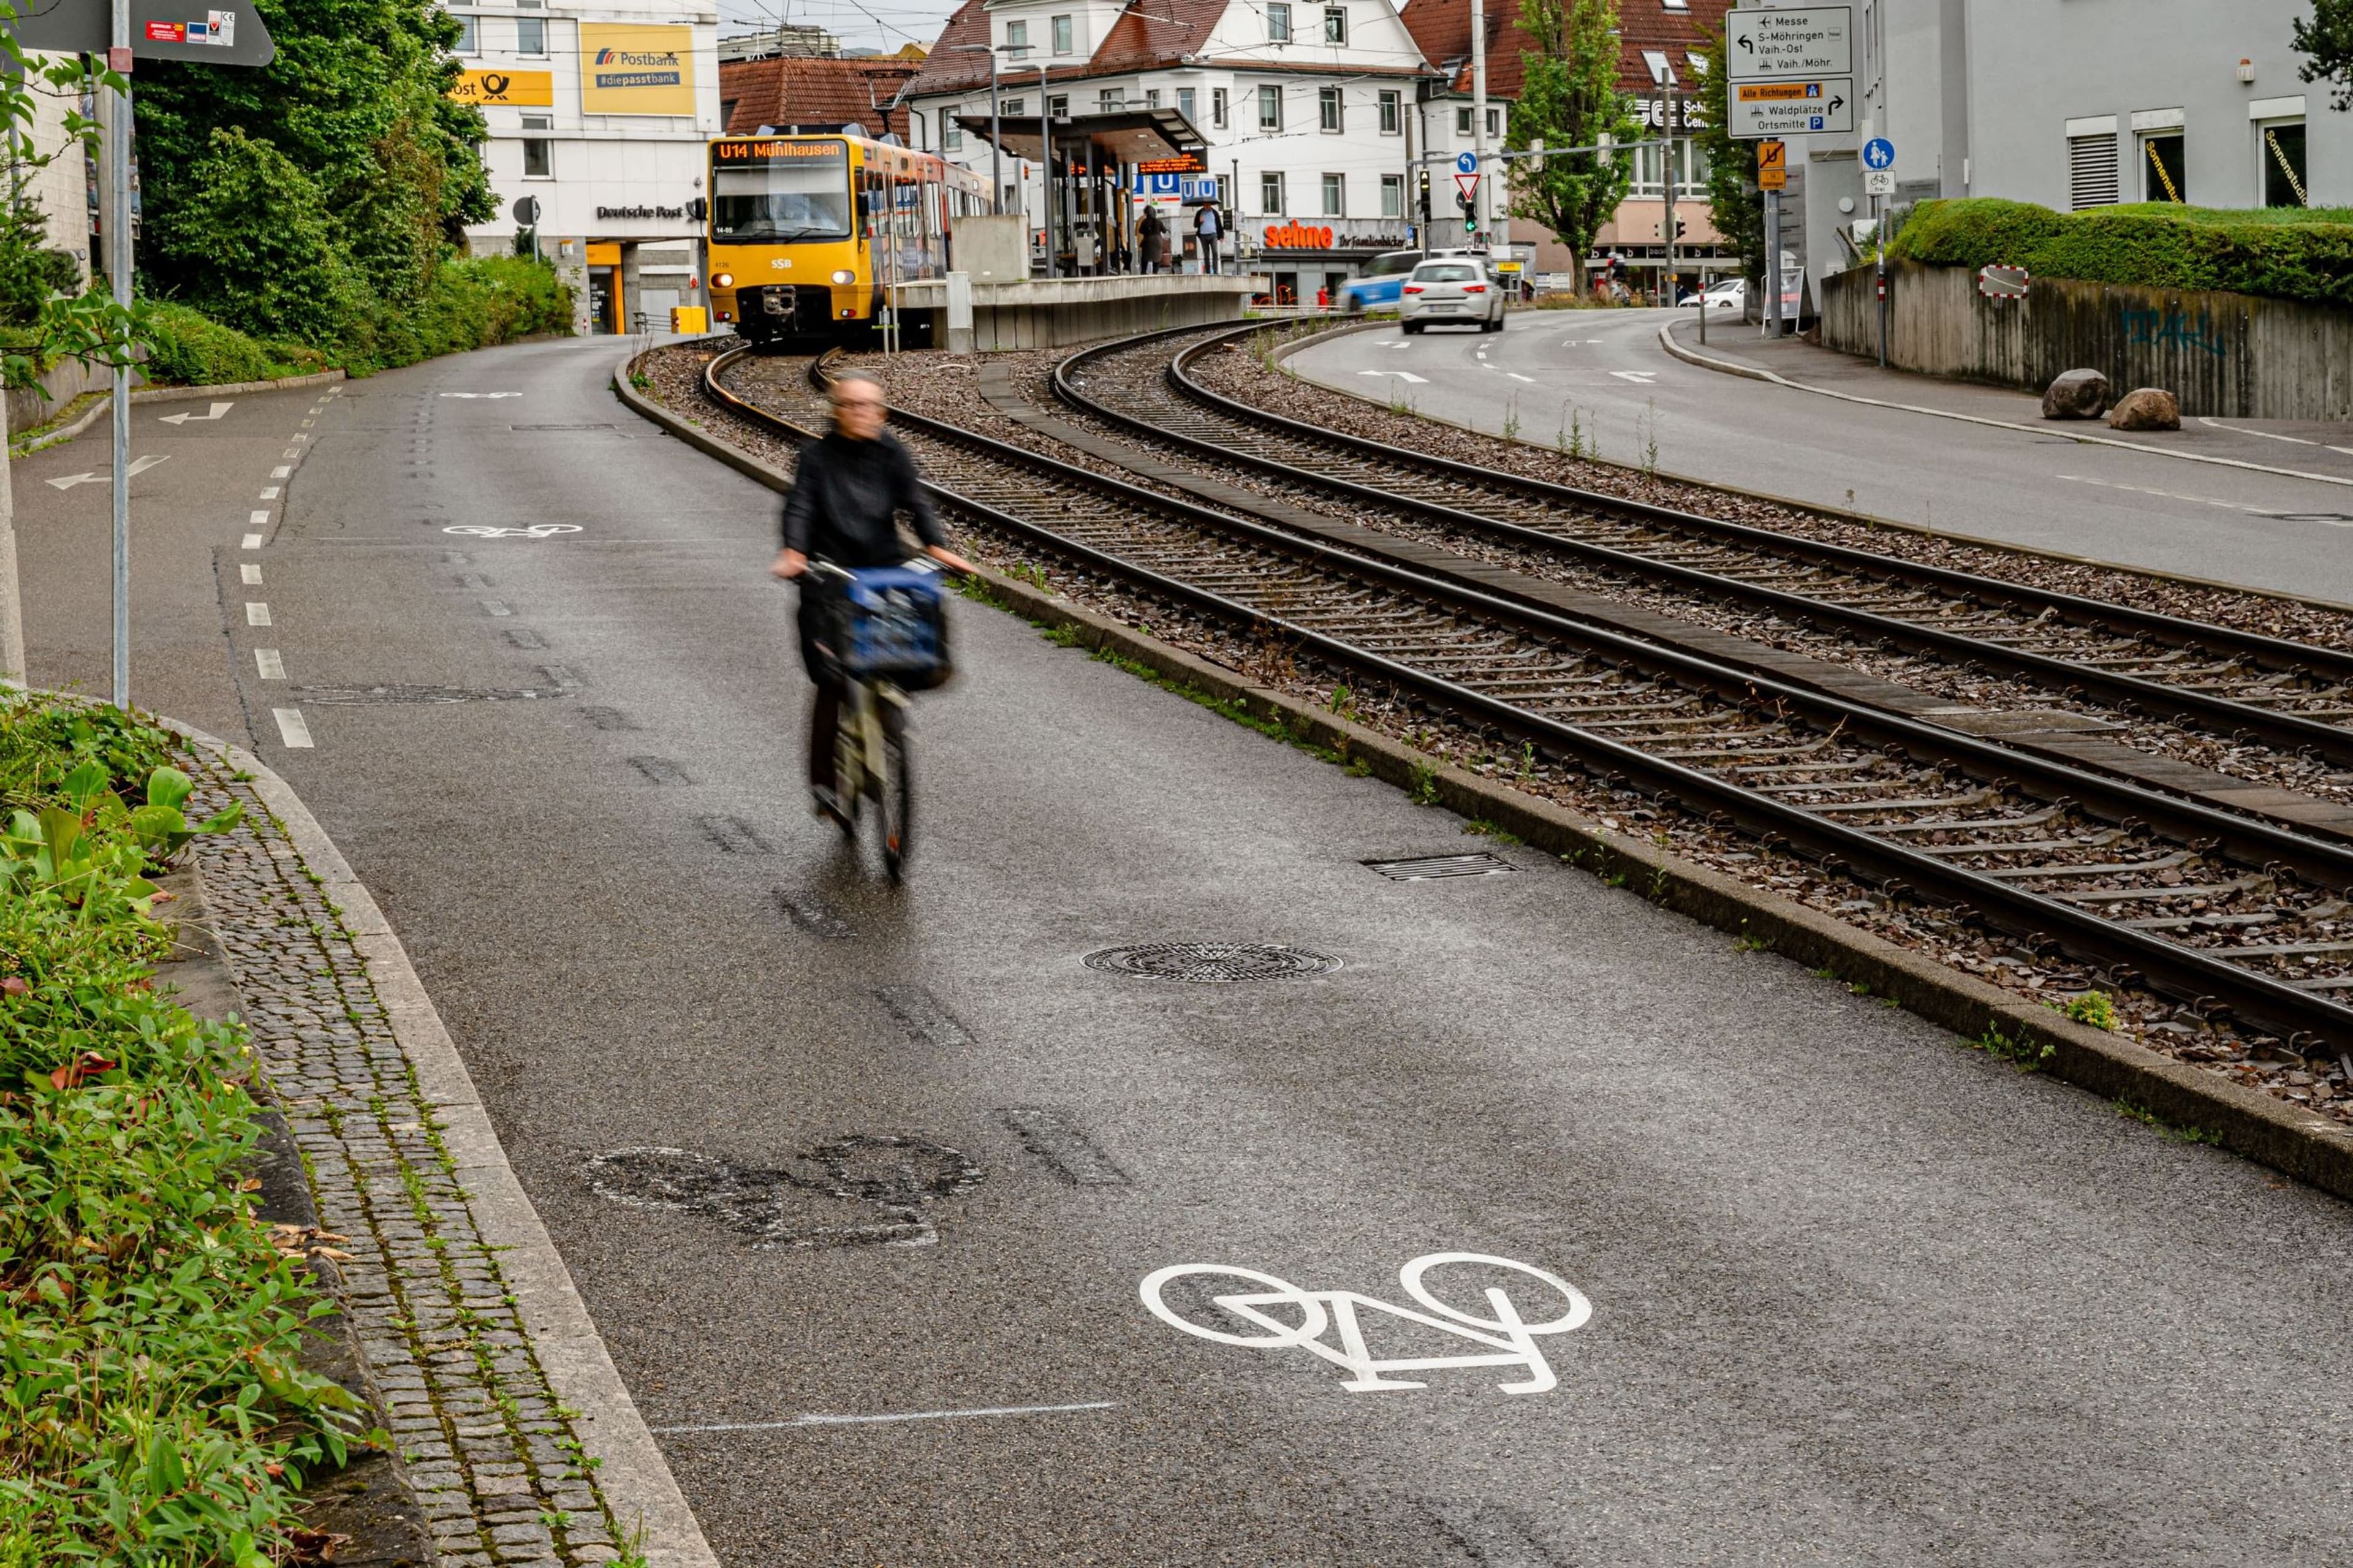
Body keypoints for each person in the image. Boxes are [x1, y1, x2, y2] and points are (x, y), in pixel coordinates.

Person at [771, 373, 974, 821]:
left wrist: (937, 546)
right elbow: (800, 506)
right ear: (836, 412)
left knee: (911, 636)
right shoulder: (816, 457)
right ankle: (825, 782)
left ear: (882, 414)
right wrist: (795, 552)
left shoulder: (891, 453)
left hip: (884, 569)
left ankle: (891, 713)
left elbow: (917, 502)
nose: (861, 413)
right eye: (850, 405)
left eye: (869, 407)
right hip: (830, 572)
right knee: (832, 679)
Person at [1194, 199, 1222, 275]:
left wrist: (1221, 235)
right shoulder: (1200, 213)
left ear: (1210, 205)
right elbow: (1195, 225)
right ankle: (1208, 271)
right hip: (1203, 235)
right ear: (1203, 205)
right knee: (1206, 254)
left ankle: (1216, 271)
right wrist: (1199, 222)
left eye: (1208, 205)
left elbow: (1219, 224)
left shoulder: (1214, 213)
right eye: (1205, 205)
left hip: (1213, 235)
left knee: (1215, 252)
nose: (1206, 206)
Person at [1138, 205, 1165, 275]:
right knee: (1157, 258)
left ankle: (1143, 272)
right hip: (1158, 241)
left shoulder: (1145, 222)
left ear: (1146, 213)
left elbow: (1140, 231)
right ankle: (1155, 272)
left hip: (1148, 241)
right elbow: (1164, 230)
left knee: (1145, 257)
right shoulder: (1159, 222)